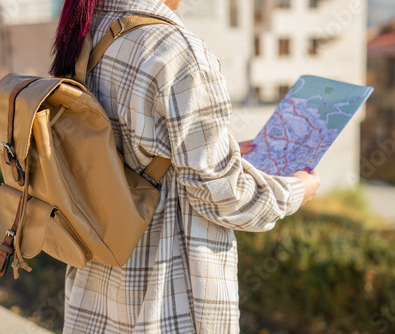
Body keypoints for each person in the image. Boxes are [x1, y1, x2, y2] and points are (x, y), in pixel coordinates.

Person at [50, 0, 321, 333]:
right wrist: (295, 190)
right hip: (164, 291)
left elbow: (124, 142)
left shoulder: (87, 29)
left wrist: (222, 148)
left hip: (96, 277)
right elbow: (223, 195)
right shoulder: (175, 49)